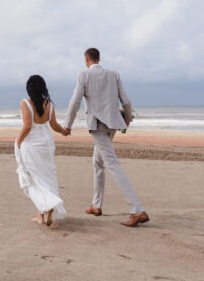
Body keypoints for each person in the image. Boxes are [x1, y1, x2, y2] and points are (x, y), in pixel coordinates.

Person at [63, 48, 150, 227]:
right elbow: (126, 101)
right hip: (113, 124)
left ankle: (137, 209)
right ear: (99, 58)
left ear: (86, 60)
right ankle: (96, 205)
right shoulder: (114, 74)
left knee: (112, 164)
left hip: (97, 125)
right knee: (98, 162)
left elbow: (75, 101)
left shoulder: (84, 75)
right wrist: (126, 120)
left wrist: (67, 125)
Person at [15, 75, 68, 227]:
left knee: (33, 178)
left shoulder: (25, 103)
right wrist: (64, 131)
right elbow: (54, 125)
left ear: (29, 88)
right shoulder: (49, 104)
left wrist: (18, 141)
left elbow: (27, 126)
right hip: (47, 144)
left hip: (31, 145)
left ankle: (48, 205)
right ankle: (41, 213)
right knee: (47, 176)